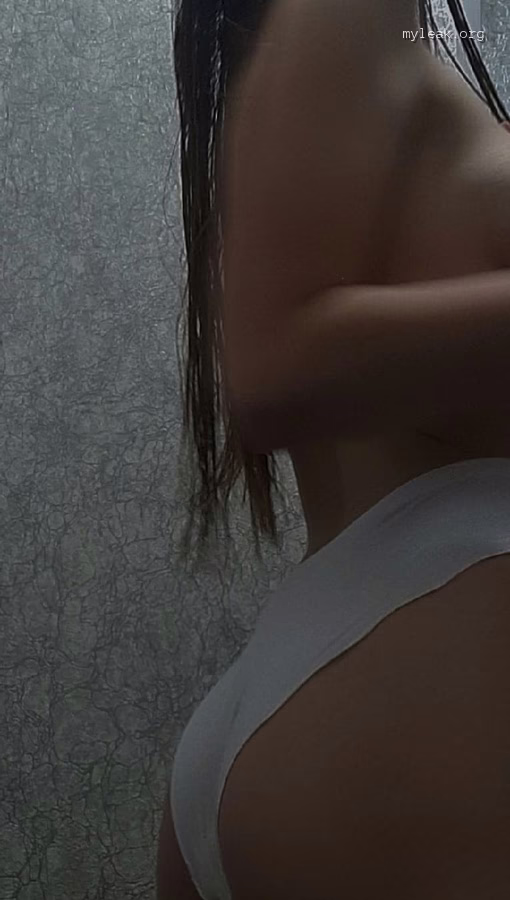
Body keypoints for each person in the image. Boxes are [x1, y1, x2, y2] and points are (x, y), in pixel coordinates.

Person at [158, 0, 510, 897]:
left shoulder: (342, 70)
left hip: (280, 717)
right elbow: (275, 364)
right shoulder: (355, 13)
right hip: (446, 627)